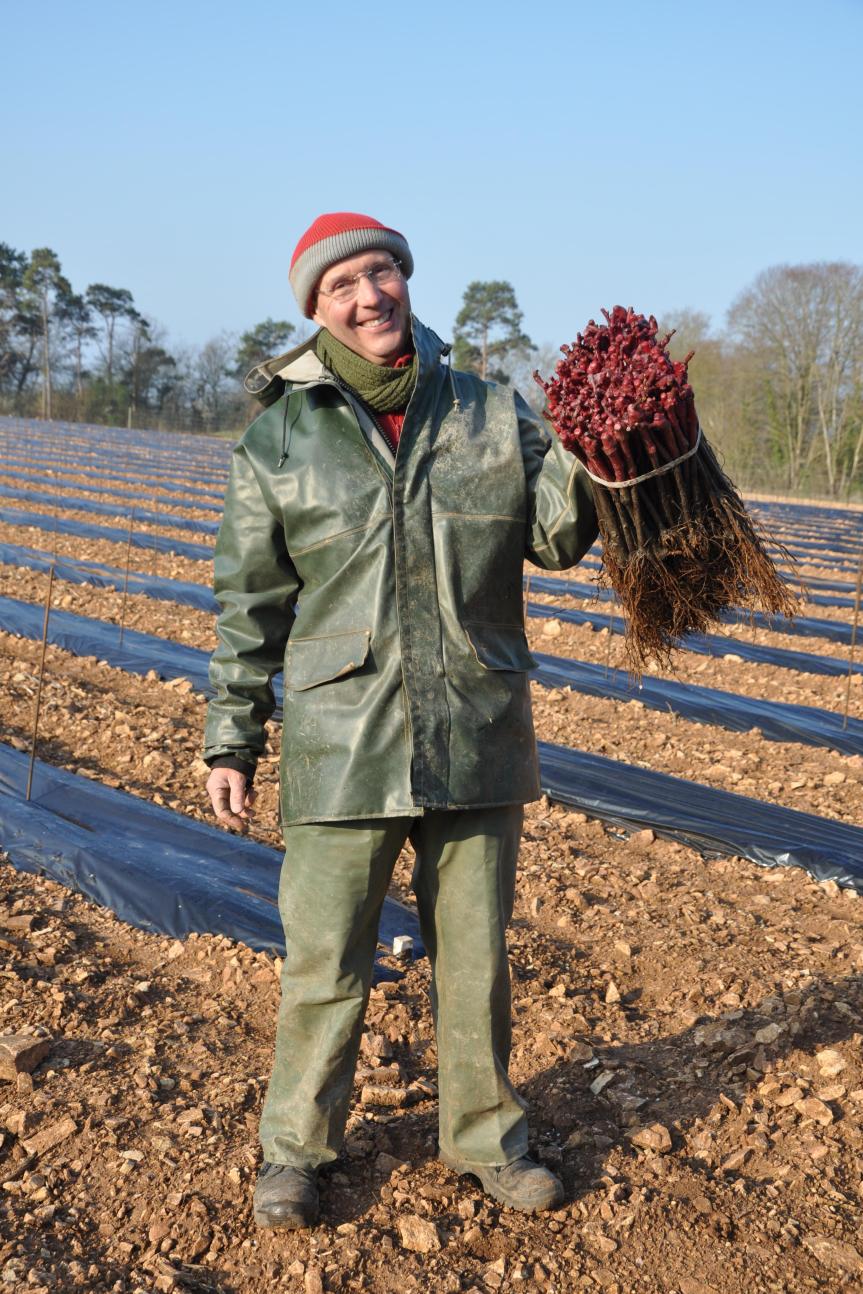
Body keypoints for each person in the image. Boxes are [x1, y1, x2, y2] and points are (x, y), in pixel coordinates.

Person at [203, 212, 598, 1229]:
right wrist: (230, 738)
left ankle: (487, 1138)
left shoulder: (483, 411)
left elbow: (556, 534)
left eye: (381, 272)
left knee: (473, 957)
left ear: (405, 280)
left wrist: (598, 448)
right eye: (342, 287)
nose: (368, 294)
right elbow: (250, 608)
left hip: (474, 726)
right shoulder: (277, 440)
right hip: (341, 740)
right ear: (315, 310)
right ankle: (295, 1148)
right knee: (325, 963)